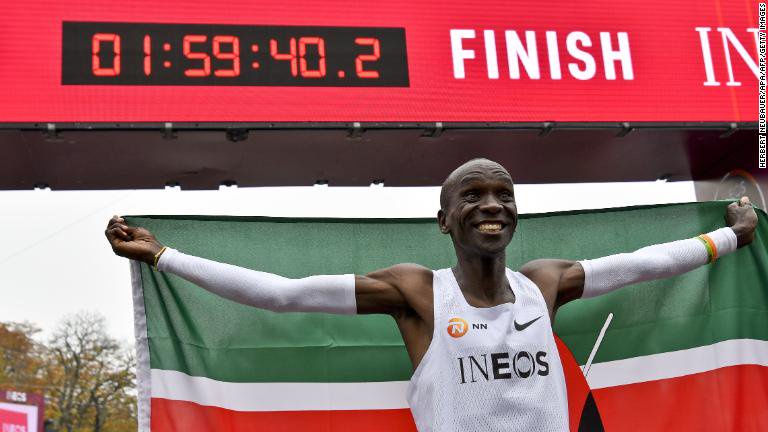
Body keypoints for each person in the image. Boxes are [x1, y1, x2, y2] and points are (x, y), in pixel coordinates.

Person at [105, 158, 758, 432]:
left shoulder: (544, 284)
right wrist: (163, 256)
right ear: (444, 220)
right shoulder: (418, 292)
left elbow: (644, 265)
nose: (492, 204)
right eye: (473, 196)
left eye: (503, 195)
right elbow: (281, 294)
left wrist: (732, 236)